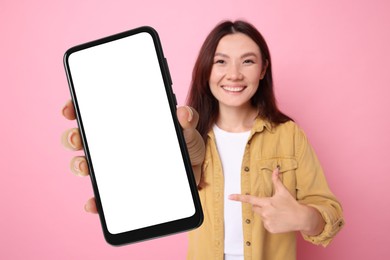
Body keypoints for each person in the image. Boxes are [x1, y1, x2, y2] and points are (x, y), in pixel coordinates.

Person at [62, 20, 344, 260]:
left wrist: (304, 217)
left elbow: (330, 211)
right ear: (206, 68)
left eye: (247, 61)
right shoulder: (184, 135)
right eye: (221, 61)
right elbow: (154, 190)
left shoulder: (288, 134)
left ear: (263, 69)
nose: (233, 74)